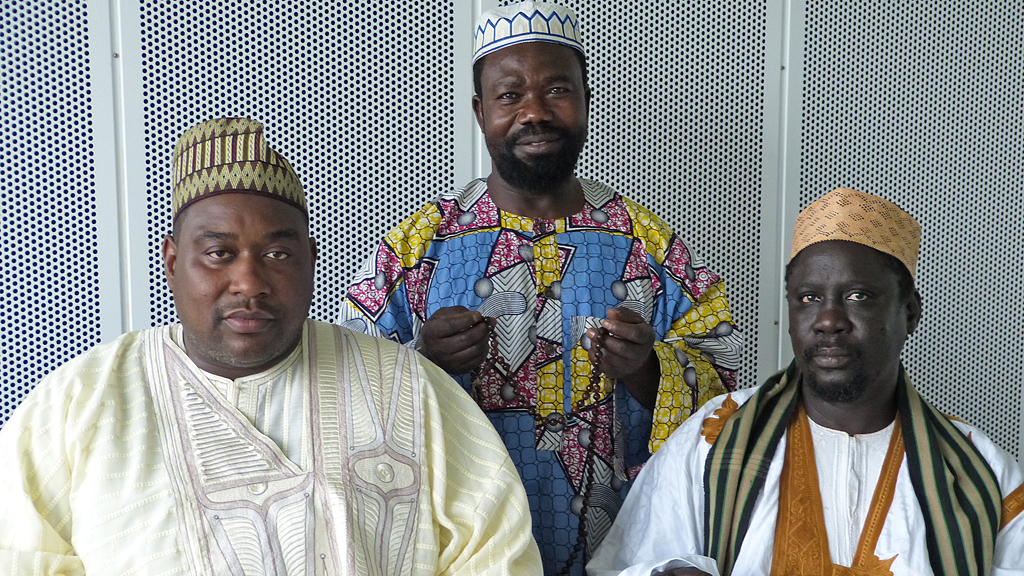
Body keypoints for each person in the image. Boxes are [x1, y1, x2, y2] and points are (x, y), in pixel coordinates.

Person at [0, 118, 541, 575]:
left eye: (277, 255)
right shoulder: (81, 402)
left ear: (309, 260)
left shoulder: (409, 388)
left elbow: (497, 553)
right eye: (218, 253)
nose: (248, 282)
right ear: (171, 261)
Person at [338, 3, 742, 574]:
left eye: (556, 90)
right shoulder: (419, 243)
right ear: (480, 113)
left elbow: (729, 390)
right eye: (509, 96)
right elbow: (345, 393)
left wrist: (647, 368)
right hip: (462, 552)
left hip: (623, 549)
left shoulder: (646, 241)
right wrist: (422, 360)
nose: (534, 112)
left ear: (585, 100)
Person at [588, 188, 1024, 576]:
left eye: (858, 296)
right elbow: (625, 563)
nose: (829, 320)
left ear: (910, 312)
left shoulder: (984, 475)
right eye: (809, 299)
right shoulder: (713, 440)